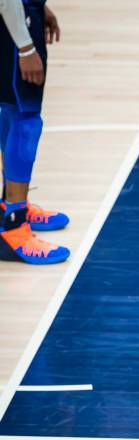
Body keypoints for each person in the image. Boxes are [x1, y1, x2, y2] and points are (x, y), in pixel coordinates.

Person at [0, 0, 69, 264]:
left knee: (10, 109)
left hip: (19, 16)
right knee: (25, 119)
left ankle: (10, 207)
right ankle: (14, 227)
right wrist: (26, 46)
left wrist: (39, 8)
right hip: (13, 26)